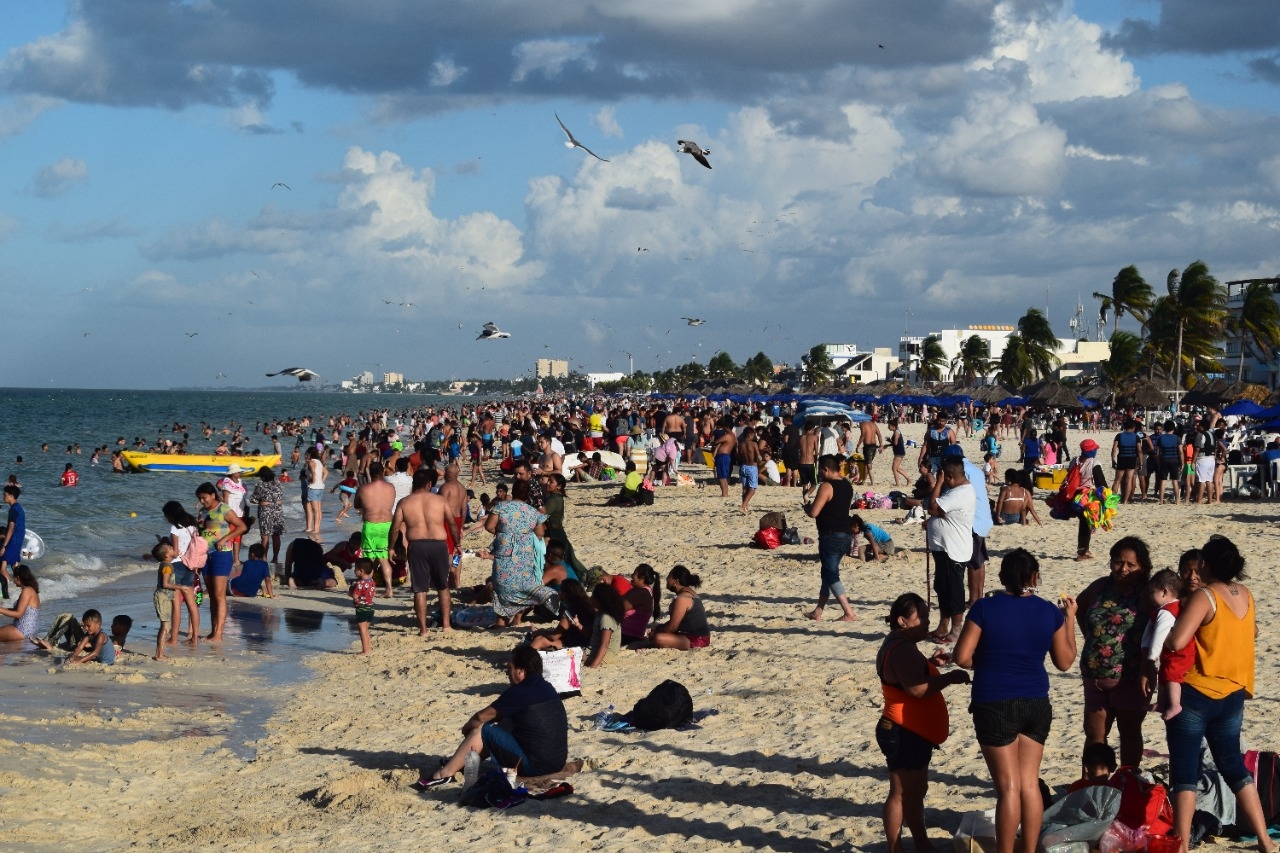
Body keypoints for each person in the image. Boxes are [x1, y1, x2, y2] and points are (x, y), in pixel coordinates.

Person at [953, 549, 1078, 853]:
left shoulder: (984, 608)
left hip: (994, 700)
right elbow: (1065, 662)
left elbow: (961, 657)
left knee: (1008, 788)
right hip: (1035, 701)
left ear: (1001, 578)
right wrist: (1069, 619)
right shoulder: (1049, 611)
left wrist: (987, 661)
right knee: (1029, 784)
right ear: (1035, 577)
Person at [1163, 536, 1275, 853]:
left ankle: (1181, 845)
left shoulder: (1206, 596)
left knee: (1184, 772)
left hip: (1198, 692)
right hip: (1234, 693)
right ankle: (1265, 841)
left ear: (1205, 565)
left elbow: (1176, 641)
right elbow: (1251, 631)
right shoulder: (1247, 595)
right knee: (1234, 768)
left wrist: (1164, 627)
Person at [876, 592, 971, 853]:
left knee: (909, 791)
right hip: (904, 729)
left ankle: (919, 844)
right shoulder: (902, 648)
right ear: (902, 621)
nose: (928, 622)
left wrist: (931, 664)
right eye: (922, 617)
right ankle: (901, 847)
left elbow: (907, 677)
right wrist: (949, 678)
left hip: (903, 727)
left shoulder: (898, 644)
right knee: (904, 793)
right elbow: (916, 689)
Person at [411, 645, 568, 789]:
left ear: (521, 670)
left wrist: (467, 729)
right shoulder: (547, 687)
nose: (507, 672)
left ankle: (444, 775)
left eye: (510, 667)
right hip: (556, 762)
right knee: (503, 722)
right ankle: (462, 761)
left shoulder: (519, 692)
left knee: (483, 730)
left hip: (535, 766)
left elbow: (481, 717)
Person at [1075, 535, 1151, 769]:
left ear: (1143, 567)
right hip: (1094, 677)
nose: (1123, 569)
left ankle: (1126, 783)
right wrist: (1091, 637)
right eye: (1118, 562)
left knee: (1129, 734)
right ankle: (1095, 786)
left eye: (1131, 564)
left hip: (1129, 678)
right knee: (1095, 737)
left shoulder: (1147, 593)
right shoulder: (1100, 586)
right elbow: (1079, 607)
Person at [393, 468, 460, 636]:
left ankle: (423, 629)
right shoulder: (439, 500)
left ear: (414, 484)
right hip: (438, 545)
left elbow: (395, 527)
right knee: (442, 586)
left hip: (417, 545)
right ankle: (446, 625)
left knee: (420, 589)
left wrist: (390, 547)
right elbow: (452, 523)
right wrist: (457, 543)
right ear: (429, 484)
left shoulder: (404, 502)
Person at [485, 479, 552, 627]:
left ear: (512, 491)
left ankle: (500, 621)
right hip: (524, 554)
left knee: (502, 585)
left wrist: (503, 534)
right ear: (527, 495)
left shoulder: (501, 507)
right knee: (522, 585)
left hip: (504, 552)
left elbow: (489, 526)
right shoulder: (532, 511)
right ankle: (517, 619)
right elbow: (540, 532)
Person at [801, 454, 857, 622]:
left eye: (820, 470)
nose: (819, 474)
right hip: (845, 534)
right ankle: (818, 611)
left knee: (831, 574)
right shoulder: (847, 485)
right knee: (827, 572)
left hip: (831, 535)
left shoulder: (827, 486)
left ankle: (849, 612)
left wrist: (806, 505)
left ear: (826, 469)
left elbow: (814, 512)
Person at [926, 456, 974, 643]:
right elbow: (940, 512)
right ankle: (943, 625)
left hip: (953, 550)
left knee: (953, 591)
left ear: (949, 476)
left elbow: (933, 506)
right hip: (945, 548)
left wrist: (938, 483)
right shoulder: (958, 491)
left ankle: (955, 630)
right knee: (942, 587)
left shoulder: (959, 492)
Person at [196, 481, 247, 642]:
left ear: (213, 495)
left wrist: (225, 539)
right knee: (211, 596)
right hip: (205, 556)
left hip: (222, 555)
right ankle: (213, 631)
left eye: (204, 498)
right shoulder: (203, 512)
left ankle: (219, 634)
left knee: (219, 596)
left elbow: (241, 527)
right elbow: (199, 533)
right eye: (200, 498)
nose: (202, 501)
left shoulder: (223, 509)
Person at [1139, 569, 1193, 721]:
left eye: (1152, 593)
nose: (1150, 597)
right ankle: (1162, 703)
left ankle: (1175, 704)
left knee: (1171, 676)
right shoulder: (1172, 607)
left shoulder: (1166, 611)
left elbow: (1159, 634)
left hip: (1178, 653)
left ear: (1164, 592)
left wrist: (1152, 657)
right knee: (1164, 674)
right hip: (1174, 652)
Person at [640, 565, 710, 650]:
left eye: (669, 576)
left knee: (658, 638)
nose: (667, 579)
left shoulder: (682, 598)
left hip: (697, 639)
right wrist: (659, 628)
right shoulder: (691, 594)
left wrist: (656, 632)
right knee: (659, 630)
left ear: (675, 581)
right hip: (696, 636)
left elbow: (673, 626)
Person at [355, 460, 396, 597]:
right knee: (383, 558)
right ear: (383, 472)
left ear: (369, 473)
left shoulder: (363, 489)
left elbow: (356, 505)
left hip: (371, 525)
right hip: (387, 525)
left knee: (369, 560)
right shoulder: (391, 487)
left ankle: (367, 588)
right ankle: (389, 589)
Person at [528, 579, 593, 651]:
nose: (558, 592)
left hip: (577, 644)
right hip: (589, 641)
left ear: (565, 594)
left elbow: (554, 636)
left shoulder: (570, 611)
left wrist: (539, 631)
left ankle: (522, 659)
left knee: (539, 640)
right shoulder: (587, 603)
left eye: (560, 590)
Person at [1071, 439, 1108, 561]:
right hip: (1087, 497)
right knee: (1086, 524)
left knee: (1084, 523)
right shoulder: (1093, 463)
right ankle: (1082, 551)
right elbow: (1100, 483)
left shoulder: (1074, 461)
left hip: (1075, 496)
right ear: (1092, 451)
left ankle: (1084, 549)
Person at [150, 540, 179, 660]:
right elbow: (166, 584)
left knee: (165, 625)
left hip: (164, 598)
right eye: (170, 547)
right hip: (163, 598)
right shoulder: (167, 566)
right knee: (165, 626)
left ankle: (159, 653)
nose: (172, 547)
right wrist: (181, 587)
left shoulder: (165, 564)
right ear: (167, 555)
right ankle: (159, 654)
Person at [250, 466, 285, 564]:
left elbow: (252, 499)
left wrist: (263, 502)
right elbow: (279, 496)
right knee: (276, 536)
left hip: (265, 512)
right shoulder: (278, 483)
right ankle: (275, 558)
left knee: (265, 537)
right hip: (278, 511)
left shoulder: (260, 485)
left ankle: (264, 559)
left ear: (263, 477)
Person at [585, 582, 625, 668]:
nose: (591, 598)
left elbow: (605, 644)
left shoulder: (606, 618)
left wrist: (593, 665)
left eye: (593, 597)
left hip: (605, 658)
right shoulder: (600, 614)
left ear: (599, 601)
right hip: (595, 652)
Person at [217, 464, 249, 566]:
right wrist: (226, 513)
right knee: (230, 536)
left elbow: (244, 499)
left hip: (240, 513)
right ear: (232, 473)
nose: (239, 473)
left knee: (238, 538)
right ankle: (229, 559)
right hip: (231, 514)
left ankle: (236, 560)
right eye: (237, 472)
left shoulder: (241, 483)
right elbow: (225, 498)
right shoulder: (227, 482)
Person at [0, 562, 39, 642]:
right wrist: (2, 609)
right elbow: (19, 610)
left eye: (14, 578)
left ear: (18, 577)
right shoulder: (31, 590)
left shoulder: (27, 590)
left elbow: (19, 614)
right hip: (30, 630)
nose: (13, 581)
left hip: (23, 630)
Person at [1, 484, 26, 599]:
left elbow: (11, 528)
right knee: (16, 567)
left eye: (5, 494)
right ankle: (25, 589)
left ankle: (8, 590)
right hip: (19, 540)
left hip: (13, 541)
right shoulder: (19, 507)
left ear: (11, 496)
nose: (3, 496)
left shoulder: (13, 509)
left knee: (2, 567)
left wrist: (4, 545)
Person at [350, 557, 377, 655]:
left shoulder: (360, 583)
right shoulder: (372, 582)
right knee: (366, 630)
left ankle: (366, 650)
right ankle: (367, 648)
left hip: (361, 608)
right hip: (370, 607)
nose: (354, 571)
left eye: (355, 569)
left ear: (361, 571)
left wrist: (351, 590)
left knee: (362, 630)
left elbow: (354, 595)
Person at [1111, 419, 1142, 504]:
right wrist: (1141, 462)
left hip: (1121, 458)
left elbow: (1114, 448)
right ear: (1134, 427)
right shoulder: (1136, 437)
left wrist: (1113, 460)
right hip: (1132, 458)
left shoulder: (1119, 436)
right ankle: (1125, 501)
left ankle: (1112, 500)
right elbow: (1139, 450)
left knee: (1117, 480)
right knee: (1129, 480)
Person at [737, 425, 760, 514]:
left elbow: (739, 456)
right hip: (752, 466)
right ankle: (743, 506)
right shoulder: (753, 444)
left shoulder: (741, 444)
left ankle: (745, 507)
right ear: (750, 435)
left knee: (745, 488)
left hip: (743, 466)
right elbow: (758, 457)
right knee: (752, 489)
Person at [712, 420, 736, 498]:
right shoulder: (733, 436)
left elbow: (716, 441)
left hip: (722, 456)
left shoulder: (728, 435)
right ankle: (725, 492)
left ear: (727, 427)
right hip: (726, 456)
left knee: (721, 476)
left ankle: (724, 493)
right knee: (724, 476)